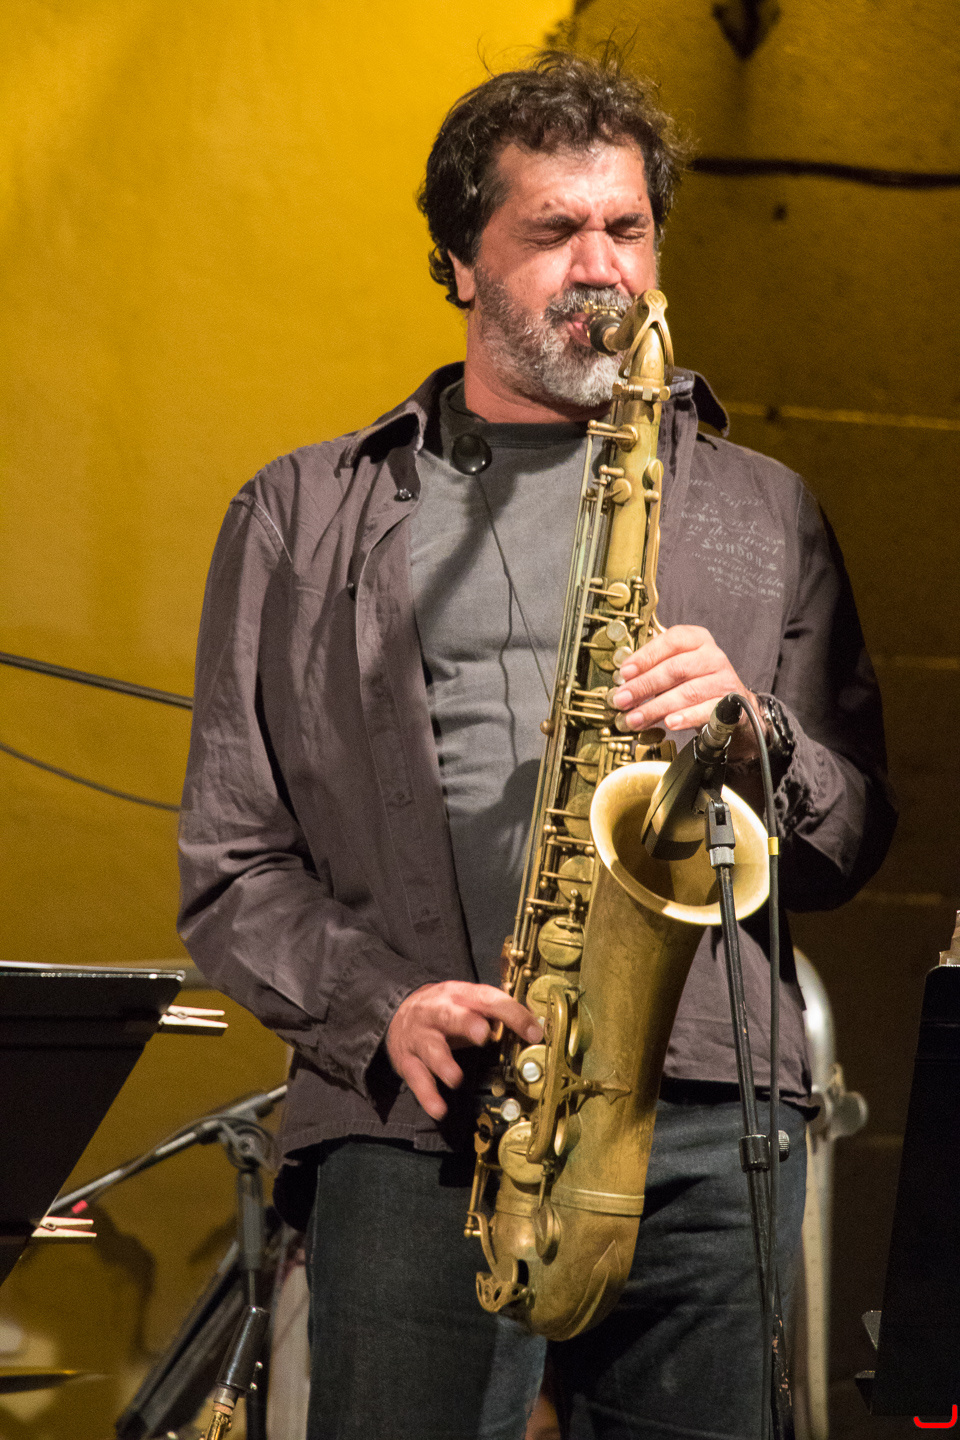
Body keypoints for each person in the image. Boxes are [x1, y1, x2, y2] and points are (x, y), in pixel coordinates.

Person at [178, 51, 896, 1440]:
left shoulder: (768, 511)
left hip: (707, 1131)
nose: (602, 269)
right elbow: (232, 864)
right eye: (554, 231)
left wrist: (755, 736)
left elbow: (856, 834)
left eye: (628, 228)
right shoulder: (297, 515)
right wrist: (383, 1005)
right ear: (458, 261)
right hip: (422, 1123)